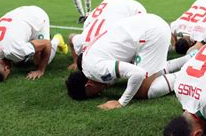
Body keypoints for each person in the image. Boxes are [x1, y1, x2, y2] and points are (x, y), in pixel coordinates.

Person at [65, 14, 194, 109]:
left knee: (142, 91)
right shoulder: (87, 60)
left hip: (151, 33)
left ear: (89, 85)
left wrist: (121, 102)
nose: (101, 92)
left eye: (95, 94)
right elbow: (73, 38)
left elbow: (137, 74)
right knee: (149, 74)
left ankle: (186, 75)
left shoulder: (96, 69)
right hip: (148, 24)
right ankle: (190, 58)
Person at [0, 6, 69, 83]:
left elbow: (46, 44)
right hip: (18, 13)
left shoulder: (16, 50)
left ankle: (57, 39)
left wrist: (40, 70)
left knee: (39, 61)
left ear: (6, 68)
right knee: (20, 57)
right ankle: (32, 42)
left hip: (37, 17)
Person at [67, 0, 146, 71]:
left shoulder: (112, 44)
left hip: (131, 8)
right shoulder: (81, 42)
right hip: (108, 4)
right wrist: (76, 62)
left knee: (142, 37)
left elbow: (71, 37)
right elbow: (71, 37)